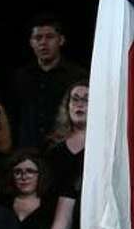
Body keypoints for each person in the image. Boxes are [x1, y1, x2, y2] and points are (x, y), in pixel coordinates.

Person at [11, 14, 85, 149]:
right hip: (28, 150)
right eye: (38, 38)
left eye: (49, 37)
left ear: (61, 40)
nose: (43, 43)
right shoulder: (21, 76)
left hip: (64, 148)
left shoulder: (77, 76)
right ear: (31, 42)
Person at [45, 81, 88, 229]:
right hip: (51, 214)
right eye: (75, 99)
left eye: (86, 100)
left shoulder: (103, 147)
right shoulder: (53, 147)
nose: (79, 104)